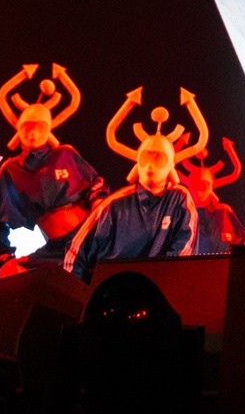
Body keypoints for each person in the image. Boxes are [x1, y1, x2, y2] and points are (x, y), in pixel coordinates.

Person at [64, 87, 205, 280]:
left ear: (171, 164)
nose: (150, 165)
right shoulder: (113, 204)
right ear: (137, 161)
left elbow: (183, 253)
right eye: (145, 157)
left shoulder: (179, 199)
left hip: (154, 295)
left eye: (159, 158)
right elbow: (76, 252)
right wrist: (73, 297)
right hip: (109, 292)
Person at [0, 63, 104, 272]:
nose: (32, 133)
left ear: (48, 128)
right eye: (26, 127)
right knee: (21, 278)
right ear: (18, 128)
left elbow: (98, 185)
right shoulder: (11, 170)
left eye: (38, 127)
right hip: (56, 248)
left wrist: (100, 214)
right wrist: (5, 258)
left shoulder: (65, 153)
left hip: (88, 235)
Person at [181, 137, 245, 254]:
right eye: (194, 185)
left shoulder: (223, 211)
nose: (198, 192)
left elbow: (242, 238)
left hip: (219, 266)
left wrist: (231, 245)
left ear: (211, 186)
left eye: (203, 186)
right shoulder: (182, 213)